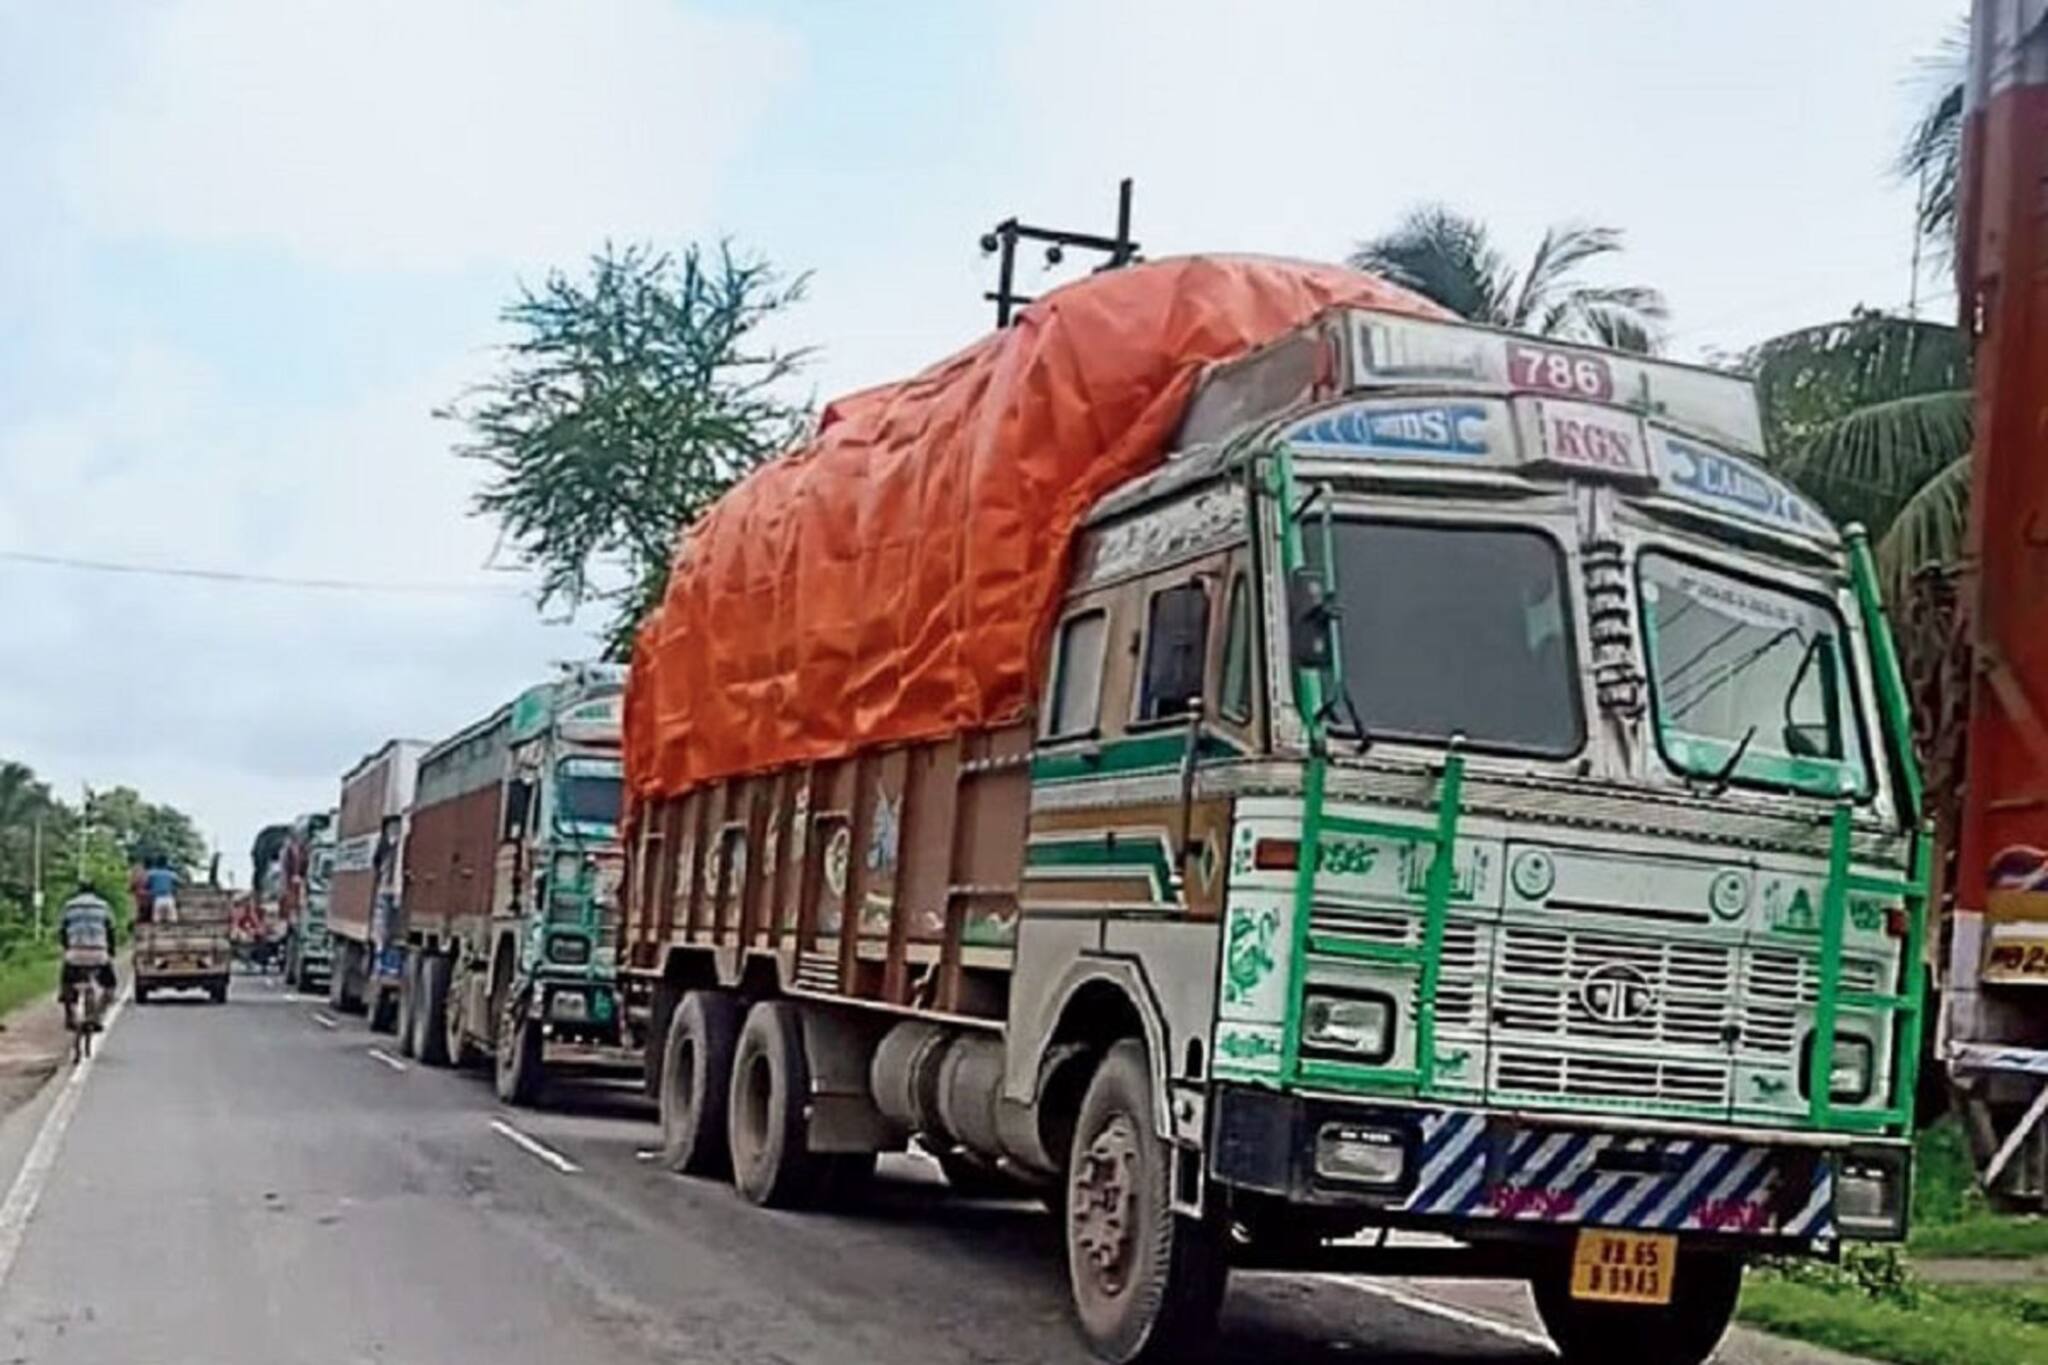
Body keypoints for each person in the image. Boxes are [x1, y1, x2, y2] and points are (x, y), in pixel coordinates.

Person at [58, 885, 118, 1030]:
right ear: (94, 892)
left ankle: (70, 1016)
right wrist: (111, 951)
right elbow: (111, 930)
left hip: (75, 953)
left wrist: (67, 947)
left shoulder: (69, 906)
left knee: (66, 982)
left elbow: (62, 930)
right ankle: (96, 1017)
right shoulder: (103, 906)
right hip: (98, 952)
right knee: (110, 986)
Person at [143, 858, 179, 924]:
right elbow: (177, 883)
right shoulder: (171, 874)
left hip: (157, 899)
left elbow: (146, 884)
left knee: (156, 921)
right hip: (169, 898)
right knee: (173, 921)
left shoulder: (151, 873)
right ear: (166, 864)